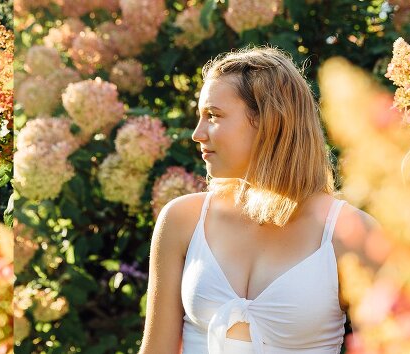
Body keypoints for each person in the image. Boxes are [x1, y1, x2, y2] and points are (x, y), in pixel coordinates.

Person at [139, 47, 383, 354]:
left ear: (269, 121)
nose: (197, 134)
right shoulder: (182, 220)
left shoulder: (349, 235)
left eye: (213, 116)